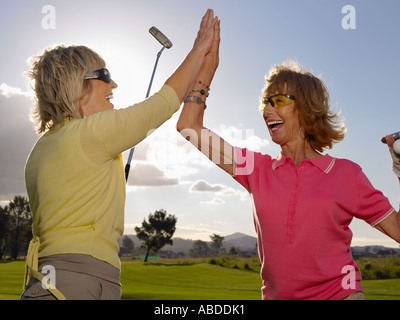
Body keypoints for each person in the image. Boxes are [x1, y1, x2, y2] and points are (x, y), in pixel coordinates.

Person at [176, 20, 400, 300]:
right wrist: (207, 67)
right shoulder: (256, 170)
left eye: (278, 100)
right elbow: (188, 127)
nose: (266, 110)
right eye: (264, 102)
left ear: (306, 107)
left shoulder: (346, 174)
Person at [21, 9, 219, 300]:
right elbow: (161, 104)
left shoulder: (39, 149)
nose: (113, 84)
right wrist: (201, 48)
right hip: (80, 281)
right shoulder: (90, 133)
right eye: (104, 75)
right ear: (77, 86)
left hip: (49, 281)